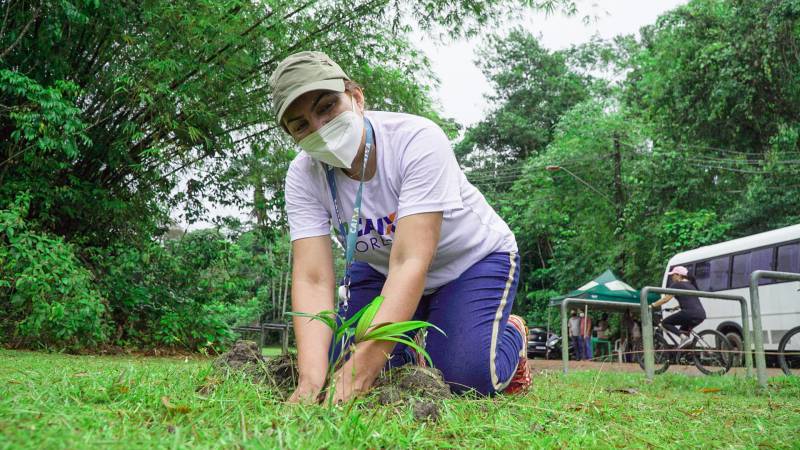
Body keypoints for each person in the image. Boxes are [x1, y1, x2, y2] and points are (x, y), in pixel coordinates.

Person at [270, 51, 529, 404]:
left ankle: (511, 333)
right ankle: (412, 347)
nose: (320, 129)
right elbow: (312, 278)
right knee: (336, 363)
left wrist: (360, 372)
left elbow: (410, 263)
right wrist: (311, 381)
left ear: (356, 97)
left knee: (463, 380)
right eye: (301, 126)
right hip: (379, 269)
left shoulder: (418, 140)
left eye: (327, 106)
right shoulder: (303, 176)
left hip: (470, 262)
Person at [650, 266, 706, 348]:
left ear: (679, 275)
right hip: (701, 314)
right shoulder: (691, 285)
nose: (672, 277)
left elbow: (666, 299)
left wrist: (653, 305)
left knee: (665, 323)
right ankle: (687, 353)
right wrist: (676, 308)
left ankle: (684, 338)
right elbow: (690, 300)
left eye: (673, 275)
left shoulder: (677, 284)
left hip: (689, 313)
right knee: (683, 330)